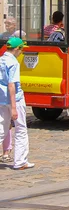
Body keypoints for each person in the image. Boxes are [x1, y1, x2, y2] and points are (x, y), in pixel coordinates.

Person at [0, 37, 34, 170]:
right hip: (15, 99)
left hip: (2, 99)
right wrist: (14, 107)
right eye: (21, 49)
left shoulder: (1, 59)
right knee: (21, 129)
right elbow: (12, 85)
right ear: (17, 49)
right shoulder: (13, 63)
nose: (22, 52)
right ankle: (20, 161)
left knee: (1, 128)